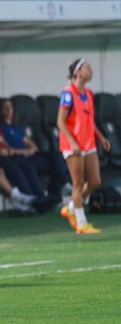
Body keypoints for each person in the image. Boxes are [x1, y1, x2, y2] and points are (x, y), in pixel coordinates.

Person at [57, 58, 110, 234]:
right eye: (88, 68)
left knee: (95, 181)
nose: (91, 71)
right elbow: (60, 122)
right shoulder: (68, 93)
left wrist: (101, 137)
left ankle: (71, 207)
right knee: (78, 184)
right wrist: (72, 143)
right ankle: (81, 223)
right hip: (73, 146)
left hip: (88, 143)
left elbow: (89, 120)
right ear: (78, 72)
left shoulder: (88, 93)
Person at [0, 98, 70, 203]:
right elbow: (7, 149)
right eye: (5, 108)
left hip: (30, 155)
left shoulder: (16, 127)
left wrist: (29, 150)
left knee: (55, 156)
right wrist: (24, 152)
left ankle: (63, 187)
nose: (9, 110)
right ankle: (41, 198)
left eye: (11, 107)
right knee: (30, 166)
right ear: (0, 111)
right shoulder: (0, 128)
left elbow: (33, 146)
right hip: (19, 158)